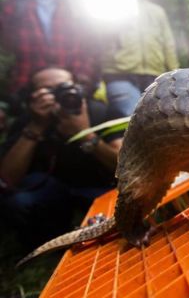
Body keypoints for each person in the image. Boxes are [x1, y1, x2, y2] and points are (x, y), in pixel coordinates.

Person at [0, 67, 122, 248]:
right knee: (18, 201)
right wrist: (36, 128)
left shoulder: (99, 111)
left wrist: (85, 134)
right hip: (52, 193)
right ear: (32, 96)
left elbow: (127, 167)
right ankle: (49, 241)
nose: (59, 95)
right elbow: (7, 180)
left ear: (78, 87)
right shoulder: (27, 121)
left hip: (100, 189)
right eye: (48, 91)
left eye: (64, 87)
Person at [0, 0, 98, 98]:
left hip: (73, 87)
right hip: (25, 90)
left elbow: (90, 45)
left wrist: (83, 79)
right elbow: (4, 54)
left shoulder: (75, 3)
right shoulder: (10, 6)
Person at [98, 0, 179, 119]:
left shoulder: (156, 11)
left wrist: (176, 78)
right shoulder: (102, 6)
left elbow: (168, 46)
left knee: (163, 122)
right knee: (133, 119)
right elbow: (95, 44)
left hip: (156, 78)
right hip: (119, 75)